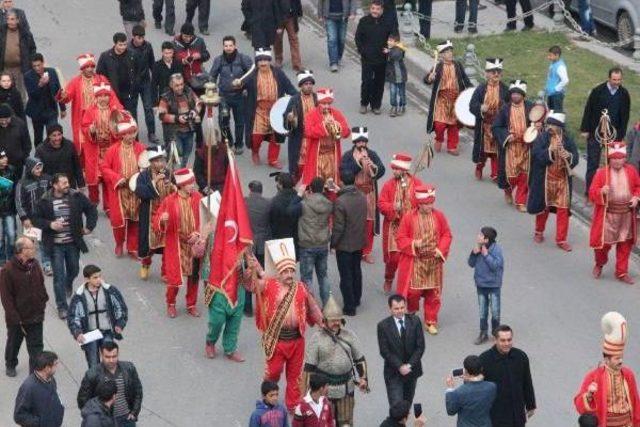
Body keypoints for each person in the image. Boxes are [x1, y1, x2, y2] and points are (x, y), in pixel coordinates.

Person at [246, 237, 324, 413]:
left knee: (295, 375)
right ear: (279, 273)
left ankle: (293, 404)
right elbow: (251, 286)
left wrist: (323, 323)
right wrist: (249, 271)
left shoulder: (301, 288)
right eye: (285, 271)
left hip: (297, 341)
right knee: (273, 373)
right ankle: (268, 399)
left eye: (291, 271)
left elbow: (313, 308)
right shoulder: (268, 285)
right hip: (277, 340)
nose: (289, 274)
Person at [33, 173, 98, 320]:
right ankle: (62, 306)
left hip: (72, 242)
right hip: (55, 245)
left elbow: (91, 209)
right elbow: (36, 219)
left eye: (67, 182)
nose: (67, 185)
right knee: (58, 277)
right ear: (55, 185)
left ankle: (69, 284)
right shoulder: (44, 200)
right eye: (63, 183)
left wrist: (89, 227)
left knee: (74, 269)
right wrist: (50, 224)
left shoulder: (76, 196)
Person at [303, 295, 368, 426]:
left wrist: (363, 378)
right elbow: (309, 368)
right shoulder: (317, 339)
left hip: (346, 387)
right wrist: (306, 395)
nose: (336, 323)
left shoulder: (349, 336)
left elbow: (359, 359)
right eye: (332, 320)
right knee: (324, 422)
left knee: (346, 423)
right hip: (323, 388)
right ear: (325, 321)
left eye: (338, 320)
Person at [396, 184, 452, 335]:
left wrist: (440, 249)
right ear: (419, 204)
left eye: (431, 203)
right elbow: (400, 238)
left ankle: (430, 320)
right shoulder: (408, 217)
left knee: (433, 293)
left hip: (434, 262)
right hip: (416, 262)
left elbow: (447, 234)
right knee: (413, 293)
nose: (429, 206)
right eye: (426, 203)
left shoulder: (439, 216)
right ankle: (412, 312)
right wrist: (414, 243)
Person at [574, 312, 640, 427]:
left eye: (621, 357)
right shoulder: (593, 376)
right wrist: (589, 396)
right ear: (607, 359)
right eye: (617, 358)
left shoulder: (628, 375)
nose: (621, 361)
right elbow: (579, 404)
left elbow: (636, 403)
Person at [153, 168, 202, 318]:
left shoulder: (198, 197)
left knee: (194, 277)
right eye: (189, 183)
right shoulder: (169, 201)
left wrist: (198, 233)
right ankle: (171, 303)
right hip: (177, 245)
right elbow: (156, 220)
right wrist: (162, 220)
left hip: (194, 244)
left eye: (193, 182)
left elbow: (206, 219)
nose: (193, 185)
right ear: (181, 185)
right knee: (174, 279)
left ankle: (191, 304)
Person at [589, 141, 640, 284]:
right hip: (608, 216)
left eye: (620, 158)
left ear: (625, 158)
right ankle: (600, 263)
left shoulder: (631, 171)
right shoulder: (601, 173)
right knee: (602, 246)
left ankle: (622, 272)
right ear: (609, 159)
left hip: (626, 215)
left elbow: (638, 186)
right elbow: (592, 193)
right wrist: (601, 191)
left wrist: (636, 197)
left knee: (625, 245)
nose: (618, 161)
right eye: (614, 159)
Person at [527, 112, 579, 251]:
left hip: (562, 180)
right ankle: (539, 231)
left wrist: (568, 156)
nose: (549, 127)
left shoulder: (567, 140)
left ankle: (561, 240)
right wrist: (549, 151)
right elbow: (537, 155)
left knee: (563, 210)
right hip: (546, 179)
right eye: (548, 124)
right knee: (543, 208)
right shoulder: (542, 138)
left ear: (559, 127)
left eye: (552, 125)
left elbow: (576, 157)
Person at [239, 47, 296, 169]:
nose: (263, 63)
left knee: (276, 136)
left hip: (276, 110)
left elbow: (289, 87)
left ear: (269, 61)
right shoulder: (252, 76)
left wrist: (296, 98)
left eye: (265, 60)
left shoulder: (278, 73)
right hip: (259, 110)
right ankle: (255, 151)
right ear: (257, 62)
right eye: (260, 60)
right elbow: (239, 86)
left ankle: (273, 159)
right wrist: (236, 85)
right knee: (256, 136)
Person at [57, 53, 122, 157]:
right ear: (82, 68)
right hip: (82, 118)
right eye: (87, 67)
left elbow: (112, 96)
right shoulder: (75, 82)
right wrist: (63, 95)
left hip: (100, 115)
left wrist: (118, 110)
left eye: (92, 66)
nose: (90, 69)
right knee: (83, 145)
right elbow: (66, 98)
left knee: (104, 141)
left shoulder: (102, 79)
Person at [100, 113, 146, 257]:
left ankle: (133, 247)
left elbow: (146, 166)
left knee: (135, 220)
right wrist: (117, 178)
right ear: (121, 135)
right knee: (119, 222)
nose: (131, 136)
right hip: (119, 191)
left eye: (133, 133)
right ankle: (119, 243)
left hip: (136, 191)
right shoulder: (113, 150)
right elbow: (104, 167)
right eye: (128, 134)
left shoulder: (141, 148)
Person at [0, 236, 46, 377]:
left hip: (36, 315)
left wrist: (43, 300)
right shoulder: (8, 270)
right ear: (21, 250)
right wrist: (15, 318)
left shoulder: (35, 264)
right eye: (31, 248)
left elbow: (41, 283)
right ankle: (11, 363)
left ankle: (35, 374)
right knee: (14, 344)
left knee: (36, 347)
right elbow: (6, 298)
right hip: (18, 319)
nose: (34, 250)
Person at [581, 68, 631, 196]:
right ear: (609, 78)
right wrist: (585, 129)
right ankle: (590, 191)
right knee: (592, 162)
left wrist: (620, 137)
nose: (617, 82)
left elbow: (625, 117)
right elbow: (588, 109)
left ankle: (610, 191)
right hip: (595, 132)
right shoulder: (597, 91)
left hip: (614, 135)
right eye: (614, 80)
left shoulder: (624, 94)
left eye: (619, 80)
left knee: (612, 164)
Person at [67, 265, 128, 368]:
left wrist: (119, 324)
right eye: (95, 277)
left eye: (100, 276)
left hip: (107, 331)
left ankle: (110, 382)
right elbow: (73, 317)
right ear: (87, 279)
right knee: (93, 363)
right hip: (90, 334)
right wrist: (77, 333)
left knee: (110, 360)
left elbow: (120, 308)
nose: (99, 279)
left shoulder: (109, 291)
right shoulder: (79, 296)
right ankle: (96, 383)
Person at [378, 153, 423, 293]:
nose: (394, 172)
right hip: (395, 226)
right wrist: (393, 207)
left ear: (404, 170)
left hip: (411, 228)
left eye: (397, 169)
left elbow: (422, 203)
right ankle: (389, 277)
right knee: (394, 258)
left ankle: (407, 284)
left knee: (410, 257)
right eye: (394, 169)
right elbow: (381, 204)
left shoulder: (417, 184)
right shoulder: (389, 185)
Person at [340, 126, 385, 264]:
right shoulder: (348, 156)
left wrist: (374, 168)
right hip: (354, 193)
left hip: (369, 194)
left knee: (369, 223)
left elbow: (382, 170)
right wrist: (358, 164)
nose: (361, 144)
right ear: (354, 142)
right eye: (358, 142)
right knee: (353, 222)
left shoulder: (372, 154)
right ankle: (354, 249)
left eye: (363, 142)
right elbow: (343, 174)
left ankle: (367, 251)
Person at [479, 325, 536, 427]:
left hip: (517, 415)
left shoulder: (521, 356)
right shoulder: (484, 360)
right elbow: (477, 388)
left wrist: (531, 404)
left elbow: (527, 382)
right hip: (496, 416)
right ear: (495, 340)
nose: (507, 343)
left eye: (509, 340)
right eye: (503, 340)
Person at [288, 177, 332, 306]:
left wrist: (299, 195)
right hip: (322, 244)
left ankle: (310, 306)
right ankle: (327, 304)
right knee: (323, 276)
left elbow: (290, 211)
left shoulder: (304, 203)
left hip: (307, 244)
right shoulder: (328, 204)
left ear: (310, 189)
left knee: (307, 278)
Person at [77, 341, 143, 426]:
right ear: (101, 355)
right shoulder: (92, 374)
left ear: (118, 354)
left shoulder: (129, 368)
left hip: (127, 419)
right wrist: (96, 417)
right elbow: (83, 400)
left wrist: (134, 412)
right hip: (106, 421)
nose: (111, 360)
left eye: (114, 356)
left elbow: (138, 391)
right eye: (107, 357)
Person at [425, 40, 472, 156]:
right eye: (446, 52)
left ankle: (452, 146)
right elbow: (427, 80)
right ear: (441, 55)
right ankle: (439, 138)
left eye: (451, 51)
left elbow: (465, 80)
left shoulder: (457, 65)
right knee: (440, 125)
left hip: (455, 100)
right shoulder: (438, 67)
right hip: (442, 99)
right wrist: (430, 78)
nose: (449, 54)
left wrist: (471, 91)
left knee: (453, 125)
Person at [377, 294, 425, 407]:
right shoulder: (383, 326)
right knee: (397, 406)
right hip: (393, 372)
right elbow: (385, 351)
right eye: (396, 308)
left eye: (402, 308)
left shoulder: (415, 321)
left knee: (407, 403)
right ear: (390, 309)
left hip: (412, 371)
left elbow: (420, 347)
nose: (400, 311)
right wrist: (400, 366)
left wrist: (409, 365)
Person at [493, 80, 534, 211]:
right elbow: (496, 127)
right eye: (513, 94)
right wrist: (506, 136)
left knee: (525, 175)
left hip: (526, 147)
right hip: (511, 147)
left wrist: (536, 128)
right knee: (511, 176)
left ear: (523, 95)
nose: (515, 96)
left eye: (518, 94)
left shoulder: (530, 107)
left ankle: (520, 201)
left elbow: (538, 122)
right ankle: (508, 190)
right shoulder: (505, 109)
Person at [134, 145, 174, 280]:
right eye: (156, 161)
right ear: (151, 162)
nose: (160, 163)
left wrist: (173, 187)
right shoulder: (143, 176)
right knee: (149, 244)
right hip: (150, 214)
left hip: (166, 215)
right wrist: (154, 182)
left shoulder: (170, 174)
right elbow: (140, 192)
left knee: (167, 245)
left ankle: (165, 271)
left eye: (162, 160)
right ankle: (145, 263)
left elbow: (179, 192)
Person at [81, 82, 121, 213]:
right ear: (96, 97)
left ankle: (108, 207)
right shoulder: (90, 111)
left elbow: (120, 127)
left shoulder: (114, 111)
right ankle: (93, 201)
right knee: (93, 180)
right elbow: (84, 126)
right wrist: (90, 130)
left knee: (108, 180)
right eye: (100, 96)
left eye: (106, 95)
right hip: (95, 150)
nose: (103, 98)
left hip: (110, 149)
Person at [209, 35, 253, 154]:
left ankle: (239, 144)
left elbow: (251, 74)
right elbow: (212, 75)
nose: (228, 48)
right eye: (226, 45)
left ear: (235, 46)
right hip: (224, 96)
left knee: (240, 122)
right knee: (223, 120)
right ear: (223, 46)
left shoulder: (244, 59)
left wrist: (242, 83)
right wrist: (212, 90)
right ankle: (228, 142)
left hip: (240, 96)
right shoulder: (218, 60)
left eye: (230, 45)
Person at [331, 170, 367, 316]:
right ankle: (357, 298)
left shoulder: (340, 202)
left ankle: (349, 306)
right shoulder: (362, 197)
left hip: (345, 244)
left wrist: (333, 243)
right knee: (356, 271)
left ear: (342, 182)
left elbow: (338, 226)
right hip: (358, 241)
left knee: (345, 275)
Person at [300, 87, 349, 190]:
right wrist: (324, 126)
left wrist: (338, 126)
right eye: (324, 104)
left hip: (332, 155)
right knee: (315, 183)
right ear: (319, 103)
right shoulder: (311, 115)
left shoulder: (336, 114)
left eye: (329, 104)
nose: (327, 106)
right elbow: (308, 132)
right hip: (317, 156)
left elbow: (346, 132)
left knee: (333, 184)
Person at [470, 58, 509, 181]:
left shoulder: (505, 90)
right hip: (484, 126)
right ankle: (479, 167)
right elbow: (472, 106)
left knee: (496, 152)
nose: (496, 74)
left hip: (498, 127)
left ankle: (495, 174)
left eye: (498, 71)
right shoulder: (481, 89)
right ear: (487, 73)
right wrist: (481, 108)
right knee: (483, 152)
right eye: (493, 71)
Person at [15, 157, 52, 274]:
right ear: (30, 168)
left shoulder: (47, 179)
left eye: (40, 166)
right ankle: (26, 265)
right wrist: (24, 218)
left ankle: (46, 265)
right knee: (28, 244)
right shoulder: (22, 183)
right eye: (36, 167)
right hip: (30, 220)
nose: (39, 169)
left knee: (44, 242)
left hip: (44, 219)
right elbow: (19, 202)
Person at [468, 226, 504, 345]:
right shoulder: (478, 247)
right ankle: (483, 333)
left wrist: (486, 255)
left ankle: (495, 332)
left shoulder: (497, 250)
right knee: (483, 310)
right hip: (481, 284)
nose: (478, 236)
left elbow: (496, 266)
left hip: (493, 285)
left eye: (480, 235)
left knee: (495, 310)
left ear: (486, 239)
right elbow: (471, 264)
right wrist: (474, 253)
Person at [355, 1, 393, 115]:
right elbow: (358, 38)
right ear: (370, 9)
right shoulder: (363, 21)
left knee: (379, 83)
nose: (374, 11)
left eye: (377, 9)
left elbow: (392, 39)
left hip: (381, 59)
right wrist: (362, 51)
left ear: (381, 10)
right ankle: (364, 103)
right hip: (367, 58)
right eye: (373, 8)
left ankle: (376, 105)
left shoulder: (387, 23)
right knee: (366, 82)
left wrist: (388, 49)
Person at [158, 73, 202, 167]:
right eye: (177, 85)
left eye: (181, 84)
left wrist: (194, 112)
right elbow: (162, 115)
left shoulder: (188, 90)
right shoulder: (165, 97)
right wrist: (177, 118)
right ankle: (171, 169)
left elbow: (198, 103)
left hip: (189, 129)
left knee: (187, 152)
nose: (180, 87)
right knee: (178, 152)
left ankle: (182, 170)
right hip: (174, 131)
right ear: (171, 85)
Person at [23, 53, 66, 147]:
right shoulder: (28, 76)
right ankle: (39, 158)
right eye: (34, 66)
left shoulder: (52, 72)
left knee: (53, 134)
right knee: (38, 137)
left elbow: (58, 91)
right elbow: (32, 95)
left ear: (43, 63)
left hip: (51, 110)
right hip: (37, 112)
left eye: (39, 65)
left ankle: (53, 155)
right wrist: (40, 85)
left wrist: (62, 108)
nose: (37, 68)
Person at [13, 351, 64, 427]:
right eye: (55, 364)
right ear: (47, 368)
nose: (57, 367)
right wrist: (40, 423)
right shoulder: (29, 387)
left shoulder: (51, 379)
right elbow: (19, 415)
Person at [97, 32, 142, 118]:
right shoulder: (105, 56)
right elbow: (100, 75)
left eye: (125, 44)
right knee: (115, 119)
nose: (123, 47)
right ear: (115, 44)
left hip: (130, 94)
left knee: (131, 119)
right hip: (113, 95)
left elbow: (138, 71)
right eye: (120, 45)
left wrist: (136, 86)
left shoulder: (133, 54)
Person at [445, 355, 497, 426]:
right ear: (481, 369)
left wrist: (450, 389)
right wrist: (468, 379)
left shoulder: (459, 392)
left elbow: (451, 411)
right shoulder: (492, 387)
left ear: (466, 370)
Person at [284, 69, 317, 179]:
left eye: (310, 84)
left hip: (314, 137)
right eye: (306, 84)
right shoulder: (294, 100)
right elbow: (286, 119)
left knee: (314, 163)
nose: (309, 86)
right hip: (299, 137)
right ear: (301, 86)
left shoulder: (317, 98)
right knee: (299, 165)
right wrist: (289, 119)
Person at [244, 180, 271, 316]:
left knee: (248, 275)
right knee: (262, 276)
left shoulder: (244, 202)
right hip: (262, 244)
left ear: (250, 189)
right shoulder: (268, 203)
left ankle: (247, 308)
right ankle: (262, 306)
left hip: (248, 244)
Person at [128, 25, 157, 143]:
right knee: (132, 110)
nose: (141, 40)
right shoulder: (128, 48)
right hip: (133, 84)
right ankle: (135, 134)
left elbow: (152, 63)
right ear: (133, 37)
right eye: (139, 37)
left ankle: (152, 132)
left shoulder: (148, 46)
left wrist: (154, 81)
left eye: (142, 37)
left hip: (145, 82)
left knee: (148, 108)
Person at [36, 124, 85, 190]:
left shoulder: (70, 146)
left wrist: (81, 184)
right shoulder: (41, 150)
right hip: (51, 188)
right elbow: (38, 171)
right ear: (49, 136)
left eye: (59, 134)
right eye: (54, 135)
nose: (57, 138)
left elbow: (77, 166)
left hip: (69, 185)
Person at [0, 10, 36, 100]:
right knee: (3, 95)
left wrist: (29, 64)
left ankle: (20, 113)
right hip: (4, 69)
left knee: (20, 95)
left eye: (12, 19)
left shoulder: (25, 33)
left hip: (20, 70)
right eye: (8, 19)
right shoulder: (1, 32)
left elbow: (32, 49)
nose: (9, 22)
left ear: (17, 20)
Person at [317, 0, 357, 72]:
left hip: (343, 17)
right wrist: (320, 15)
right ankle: (333, 62)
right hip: (329, 17)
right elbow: (320, 1)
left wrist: (353, 12)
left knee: (341, 39)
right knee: (332, 39)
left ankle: (338, 58)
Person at [173, 23, 211, 93]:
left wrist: (200, 56)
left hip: (197, 77)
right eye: (186, 36)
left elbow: (207, 55)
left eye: (190, 36)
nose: (188, 39)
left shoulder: (199, 41)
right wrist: (182, 61)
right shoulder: (174, 44)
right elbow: (171, 61)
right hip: (182, 78)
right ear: (181, 33)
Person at [270, 172, 300, 250]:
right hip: (296, 237)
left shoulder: (275, 201)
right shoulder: (298, 198)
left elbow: (272, 221)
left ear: (281, 185)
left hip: (280, 239)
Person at [0, 102, 30, 177]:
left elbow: (27, 144)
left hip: (17, 164)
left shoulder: (20, 125)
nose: (3, 122)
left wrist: (23, 159)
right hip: (1, 164)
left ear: (11, 116)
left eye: (6, 119)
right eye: (1, 119)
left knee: (15, 184)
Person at [151, 42, 183, 106]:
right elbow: (153, 86)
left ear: (173, 52)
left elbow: (183, 80)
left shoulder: (178, 63)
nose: (168, 55)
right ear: (162, 53)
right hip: (164, 99)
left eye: (170, 53)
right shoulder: (157, 66)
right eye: (166, 53)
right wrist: (155, 104)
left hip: (178, 98)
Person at [274, 0, 303, 72]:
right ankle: (278, 59)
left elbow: (297, 1)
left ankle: (296, 63)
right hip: (278, 17)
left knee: (294, 39)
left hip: (291, 16)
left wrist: (299, 13)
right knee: (277, 40)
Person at [0, 150, 17, 264]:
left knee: (11, 235)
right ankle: (1, 259)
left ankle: (11, 258)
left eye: (5, 156)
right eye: (1, 158)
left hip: (9, 209)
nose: (5, 159)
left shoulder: (12, 170)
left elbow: (17, 189)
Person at [385, 35, 407, 117]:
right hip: (392, 77)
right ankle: (394, 106)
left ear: (396, 43)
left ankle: (402, 106)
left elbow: (396, 56)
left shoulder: (399, 49)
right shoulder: (389, 49)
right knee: (392, 93)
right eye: (388, 40)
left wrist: (388, 52)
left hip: (401, 77)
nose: (389, 42)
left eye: (391, 41)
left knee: (401, 93)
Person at [545, 46, 569, 113]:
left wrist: (555, 89)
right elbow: (551, 77)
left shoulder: (560, 66)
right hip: (551, 93)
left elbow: (565, 80)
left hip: (557, 95)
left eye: (550, 55)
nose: (548, 57)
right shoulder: (553, 63)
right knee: (550, 111)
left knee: (557, 114)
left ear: (557, 55)